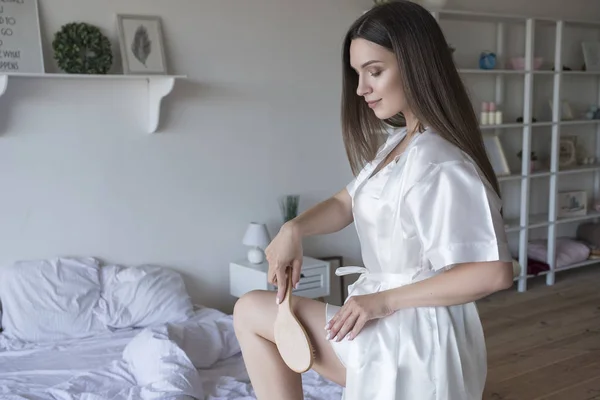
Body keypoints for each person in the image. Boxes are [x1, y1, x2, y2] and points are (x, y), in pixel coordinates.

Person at [232, 1, 514, 399]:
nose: (361, 89)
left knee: (249, 310)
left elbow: (493, 273)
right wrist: (294, 228)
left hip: (416, 336)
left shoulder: (442, 162)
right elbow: (345, 203)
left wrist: (382, 301)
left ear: (416, 65)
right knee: (250, 310)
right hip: (385, 319)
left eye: (375, 71)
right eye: (358, 74)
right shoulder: (399, 143)